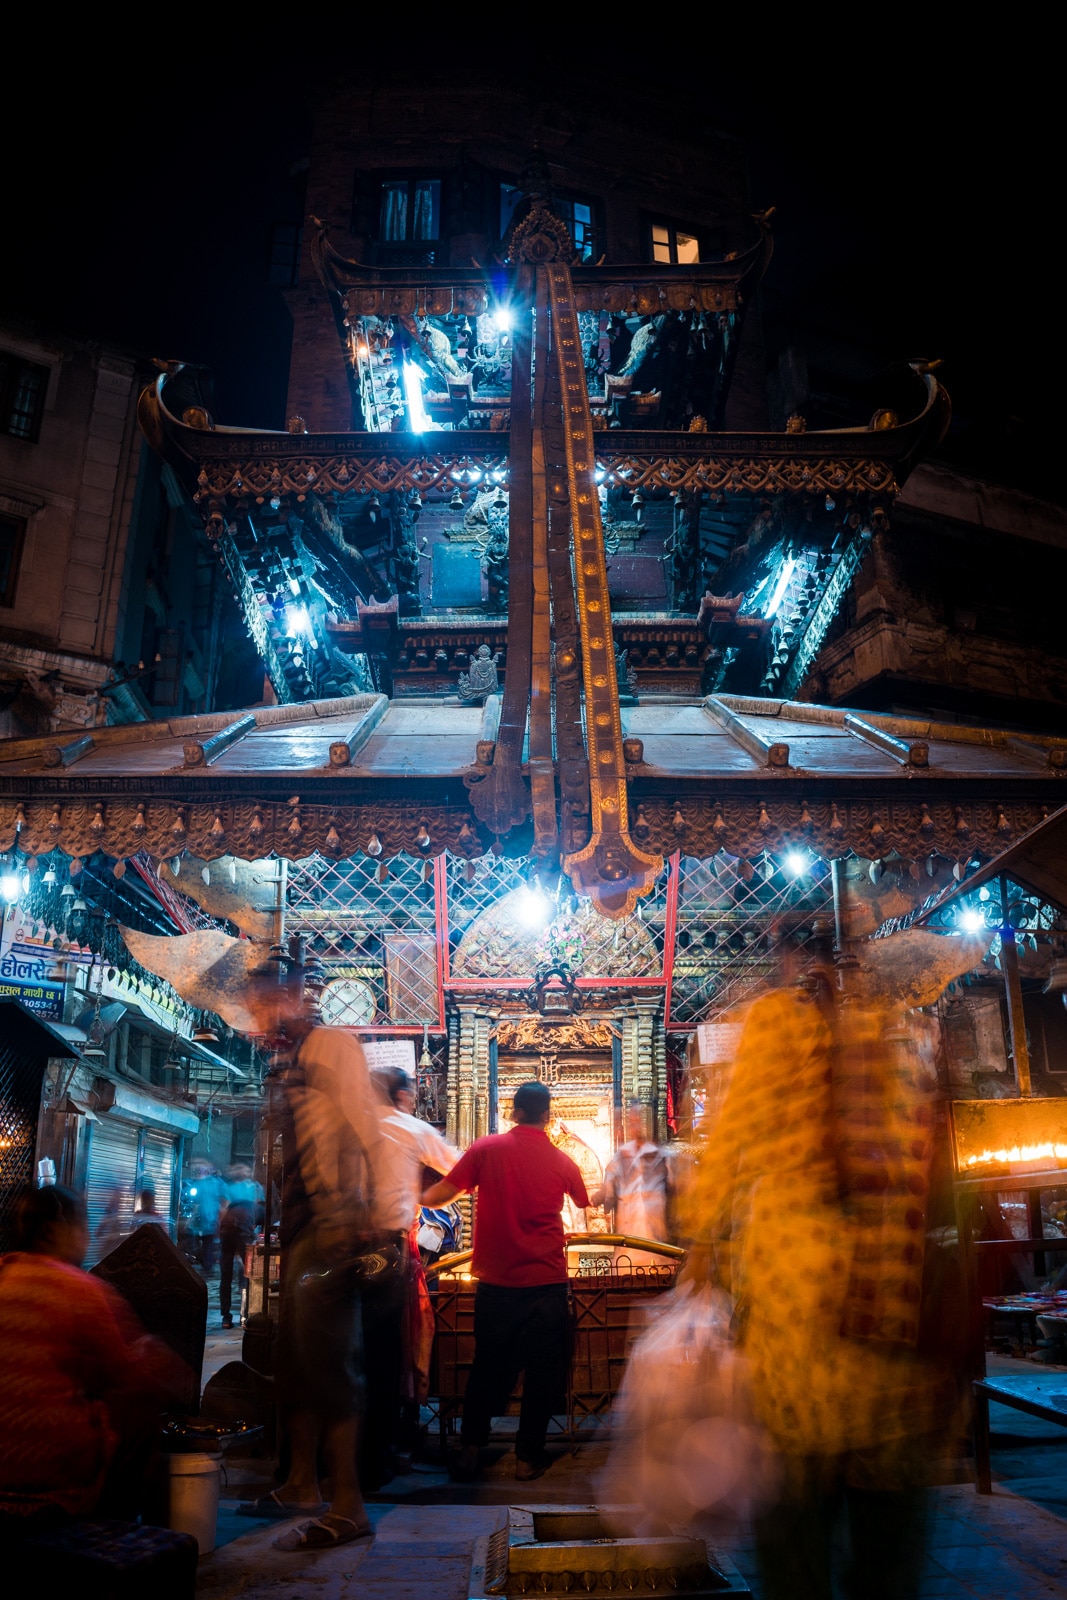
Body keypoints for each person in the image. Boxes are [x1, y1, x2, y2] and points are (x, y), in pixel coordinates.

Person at [681, 973, 957, 1600]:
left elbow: (730, 1145)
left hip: (798, 1308)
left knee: (796, 1524)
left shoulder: (777, 1022)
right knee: (886, 1537)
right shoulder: (899, 1017)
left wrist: (702, 1239)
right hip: (894, 1301)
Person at [240, 970, 386, 1552]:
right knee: (296, 1365)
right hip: (302, 1225)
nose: (259, 1016)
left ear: (291, 997)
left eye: (265, 1002)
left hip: (332, 1224)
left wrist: (351, 1216)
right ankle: (301, 1482)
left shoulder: (329, 1046)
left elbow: (357, 1129)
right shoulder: (293, 1058)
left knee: (330, 1366)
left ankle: (348, 1504)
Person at [422, 1080, 589, 1481]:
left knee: (487, 1367)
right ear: (548, 1116)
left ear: (514, 1113)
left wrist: (404, 1196)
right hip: (547, 1283)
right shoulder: (564, 1162)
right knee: (543, 1372)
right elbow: (584, 1203)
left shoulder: (485, 1149)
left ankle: (469, 1450)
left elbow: (441, 1194)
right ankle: (528, 1457)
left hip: (496, 1285)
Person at [0, 1184, 184, 1529]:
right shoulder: (77, 1290)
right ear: (54, 1231)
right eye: (81, 1226)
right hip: (45, 1475)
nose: (85, 1236)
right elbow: (132, 1379)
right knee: (142, 1416)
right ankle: (114, 1532)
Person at [367, 1065, 460, 1485]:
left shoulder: (349, 1127)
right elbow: (460, 1172)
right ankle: (386, 1452)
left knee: (358, 1350)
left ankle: (357, 1453)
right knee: (392, 1350)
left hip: (340, 1246)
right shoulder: (410, 1128)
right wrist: (426, 1197)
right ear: (403, 1096)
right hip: (386, 1249)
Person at [591, 1100, 675, 1266]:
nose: (635, 1125)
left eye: (639, 1121)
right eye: (632, 1121)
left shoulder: (662, 1156)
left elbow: (675, 1186)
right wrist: (598, 1197)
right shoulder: (622, 1155)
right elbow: (609, 1181)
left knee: (658, 1265)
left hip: (655, 1226)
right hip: (629, 1226)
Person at [219, 1163, 264, 1330]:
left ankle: (236, 1315)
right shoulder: (235, 1188)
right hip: (237, 1233)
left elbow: (224, 1208)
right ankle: (238, 1316)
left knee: (239, 1275)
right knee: (242, 1275)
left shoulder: (253, 1188)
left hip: (235, 1232)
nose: (242, 1172)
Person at [187, 1164, 226, 1273]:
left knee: (207, 1243)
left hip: (206, 1219)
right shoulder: (219, 1183)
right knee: (209, 1243)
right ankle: (208, 1264)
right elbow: (225, 1201)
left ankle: (207, 1264)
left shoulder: (204, 1184)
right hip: (212, 1219)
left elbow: (196, 1202)